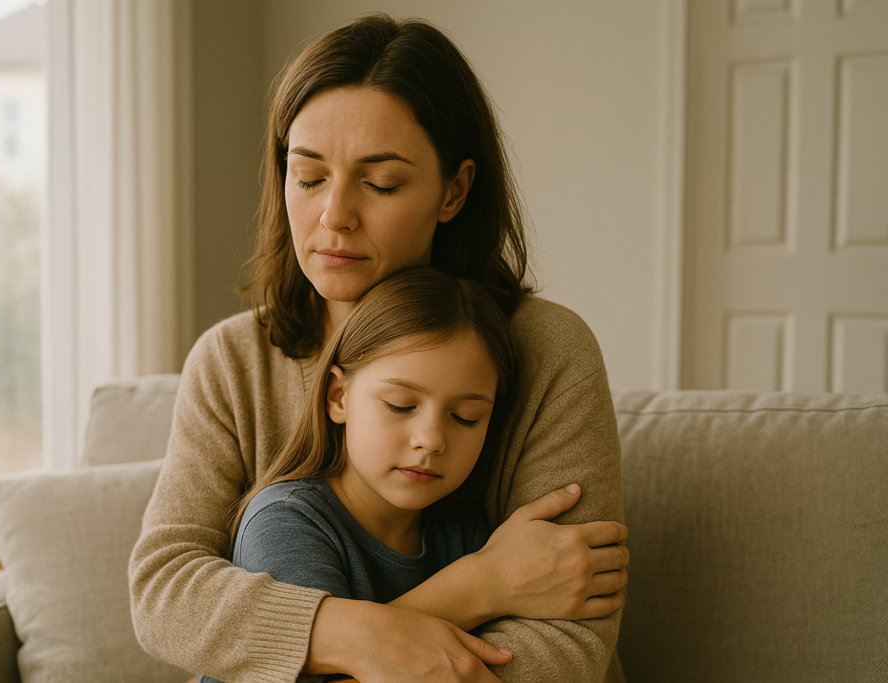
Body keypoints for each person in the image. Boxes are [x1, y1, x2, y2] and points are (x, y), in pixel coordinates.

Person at [131, 13, 629, 683]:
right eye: (308, 178)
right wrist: (447, 599)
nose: (333, 215)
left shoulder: (546, 349)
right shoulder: (232, 362)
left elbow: (568, 627)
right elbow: (165, 592)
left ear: (454, 190)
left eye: (381, 183)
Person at [197, 268, 518, 683]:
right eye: (401, 405)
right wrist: (480, 586)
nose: (431, 440)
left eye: (465, 417)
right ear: (338, 397)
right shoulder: (284, 523)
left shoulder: (463, 528)